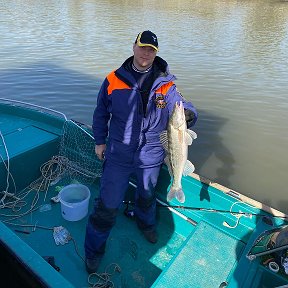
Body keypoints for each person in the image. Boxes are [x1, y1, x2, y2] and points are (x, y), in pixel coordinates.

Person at [84, 30, 198, 273]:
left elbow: (183, 104)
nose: (146, 53)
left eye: (151, 49)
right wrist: (99, 142)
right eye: (142, 47)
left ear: (156, 53)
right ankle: (94, 250)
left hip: (151, 155)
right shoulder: (113, 79)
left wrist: (188, 114)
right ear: (134, 47)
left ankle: (146, 225)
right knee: (107, 204)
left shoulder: (166, 86)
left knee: (146, 196)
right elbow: (101, 113)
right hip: (118, 154)